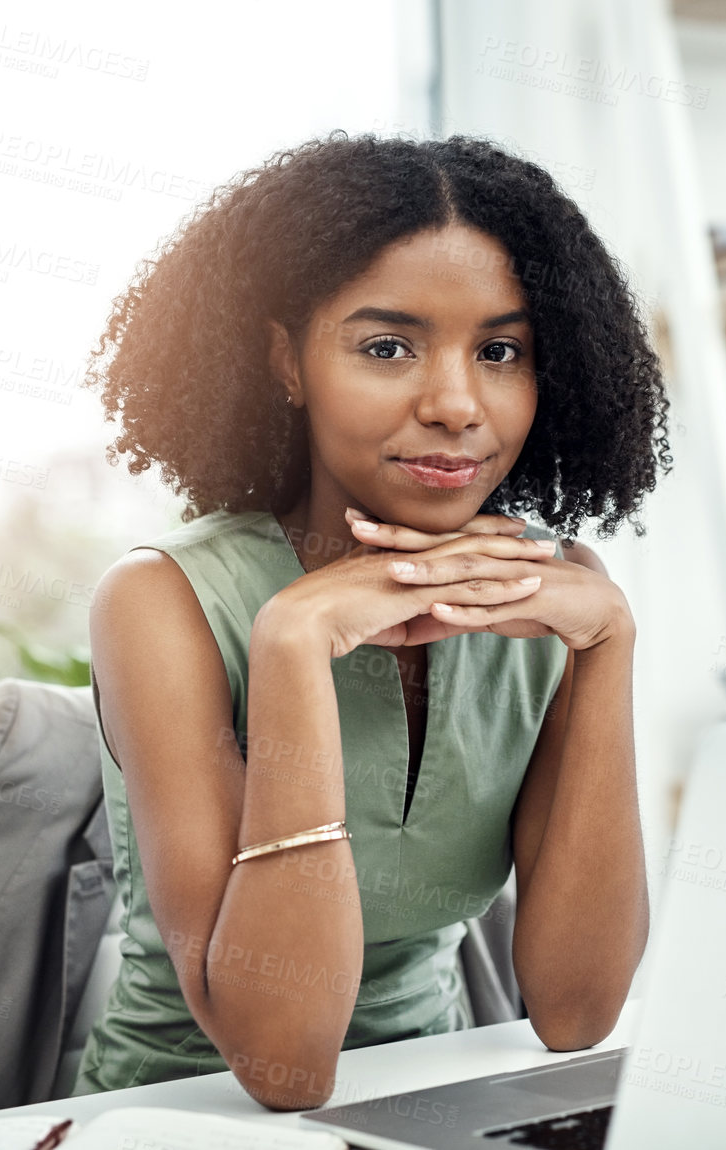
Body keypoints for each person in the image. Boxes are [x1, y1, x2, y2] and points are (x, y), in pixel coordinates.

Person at [72, 132, 672, 1110]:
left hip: (432, 1106)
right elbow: (283, 1065)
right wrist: (293, 645)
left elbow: (578, 1010)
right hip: (182, 1117)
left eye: (500, 350)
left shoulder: (557, 600)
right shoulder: (162, 603)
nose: (453, 402)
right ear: (286, 362)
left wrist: (609, 650)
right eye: (386, 347)